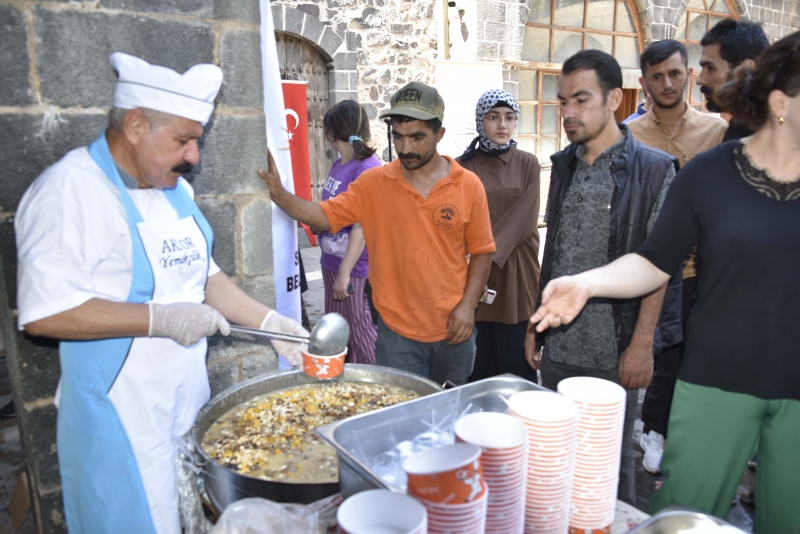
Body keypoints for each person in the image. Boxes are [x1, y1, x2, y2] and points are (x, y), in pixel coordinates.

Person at [14, 53, 308, 534]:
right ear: (134, 125)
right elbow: (45, 314)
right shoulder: (70, 191)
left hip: (184, 403)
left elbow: (207, 281)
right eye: (184, 140)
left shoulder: (174, 190)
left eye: (197, 139)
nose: (194, 156)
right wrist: (158, 319)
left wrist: (270, 324)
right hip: (121, 420)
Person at [530, 32, 800, 534]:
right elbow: (656, 261)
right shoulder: (710, 174)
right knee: (680, 515)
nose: (568, 110)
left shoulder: (663, 168)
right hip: (719, 377)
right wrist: (583, 284)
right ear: (782, 104)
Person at [258, 82, 495, 386]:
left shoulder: (468, 185)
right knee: (403, 418)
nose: (406, 148)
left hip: (454, 331)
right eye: (398, 136)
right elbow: (324, 215)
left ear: (440, 134)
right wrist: (281, 195)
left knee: (449, 417)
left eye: (417, 137)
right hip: (396, 337)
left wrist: (467, 306)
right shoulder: (374, 183)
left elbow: (482, 251)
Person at [524, 50, 681, 505]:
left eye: (581, 99)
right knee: (554, 460)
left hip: (615, 350)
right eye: (562, 101)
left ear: (614, 98)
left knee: (606, 471)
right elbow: (554, 250)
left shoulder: (653, 170)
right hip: (560, 343)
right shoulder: (564, 164)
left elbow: (658, 266)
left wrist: (641, 345)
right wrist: (537, 324)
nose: (569, 112)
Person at [627, 39, 728, 474]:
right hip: (647, 267)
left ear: (689, 74)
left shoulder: (715, 131)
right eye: (656, 76)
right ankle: (643, 427)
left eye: (674, 73)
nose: (666, 83)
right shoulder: (630, 135)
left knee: (687, 352)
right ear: (643, 83)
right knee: (647, 351)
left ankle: (672, 430)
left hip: (700, 269)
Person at [455, 90, 540, 382]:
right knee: (477, 363)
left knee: (515, 358)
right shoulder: (461, 166)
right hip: (469, 273)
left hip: (515, 273)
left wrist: (482, 258)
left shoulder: (528, 164)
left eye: (509, 117)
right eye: (493, 117)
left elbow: (523, 220)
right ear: (481, 121)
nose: (502, 125)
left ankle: (522, 424)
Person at [319, 100, 381, 364]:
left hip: (355, 270)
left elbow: (363, 225)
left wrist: (344, 273)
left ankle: (381, 394)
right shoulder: (339, 163)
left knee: (364, 339)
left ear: (332, 132)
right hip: (332, 262)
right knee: (338, 337)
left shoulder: (367, 168)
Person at [697, 19, 769, 140]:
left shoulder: (770, 131)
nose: (700, 80)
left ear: (746, 69)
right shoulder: (744, 124)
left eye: (710, 68)